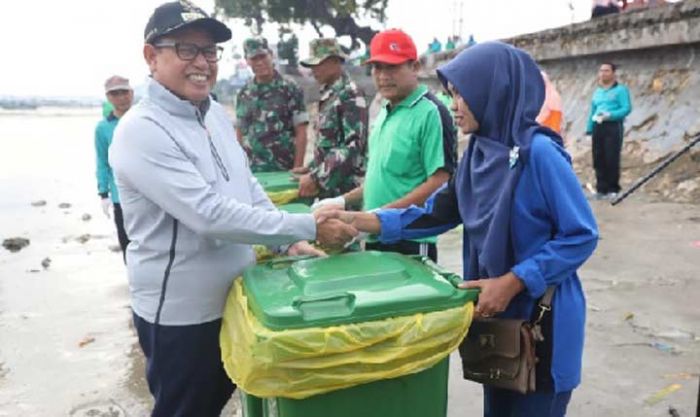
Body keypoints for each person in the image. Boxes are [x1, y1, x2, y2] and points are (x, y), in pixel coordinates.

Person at [317, 41, 599, 417]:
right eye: (451, 94)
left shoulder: (539, 154)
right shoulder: (478, 155)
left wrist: (514, 280)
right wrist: (358, 222)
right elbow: (433, 214)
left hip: (541, 324)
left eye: (463, 94)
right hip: (496, 322)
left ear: (493, 91)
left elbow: (581, 235)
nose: (454, 104)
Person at [109, 2, 356, 416]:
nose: (202, 63)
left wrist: (284, 245)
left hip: (237, 296)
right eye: (187, 49)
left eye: (210, 52)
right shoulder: (141, 130)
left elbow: (246, 187)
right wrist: (305, 226)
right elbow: (208, 214)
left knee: (223, 399)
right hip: (181, 313)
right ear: (151, 56)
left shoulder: (213, 116)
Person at [314, 29, 457, 262]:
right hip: (374, 233)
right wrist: (344, 201)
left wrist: (378, 216)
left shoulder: (431, 112)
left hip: (410, 238)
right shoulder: (384, 111)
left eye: (392, 67)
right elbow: (381, 176)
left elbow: (440, 181)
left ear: (415, 66)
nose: (383, 76)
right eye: (377, 68)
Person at [295, 38, 368, 199]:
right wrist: (312, 168)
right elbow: (329, 143)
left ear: (335, 61)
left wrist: (316, 177)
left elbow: (353, 146)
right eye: (311, 66)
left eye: (318, 64)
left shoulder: (350, 94)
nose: (314, 70)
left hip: (345, 191)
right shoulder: (328, 94)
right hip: (328, 190)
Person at [235, 36, 309, 172]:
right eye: (254, 59)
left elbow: (301, 131)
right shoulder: (244, 94)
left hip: (283, 168)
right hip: (253, 171)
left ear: (271, 55)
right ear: (247, 61)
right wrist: (240, 170)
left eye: (263, 56)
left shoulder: (290, 88)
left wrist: (297, 167)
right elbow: (239, 133)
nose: (259, 62)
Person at [95, 75, 133, 262]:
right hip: (121, 197)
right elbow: (102, 162)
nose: (120, 97)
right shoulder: (103, 128)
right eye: (115, 94)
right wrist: (103, 193)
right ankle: (135, 285)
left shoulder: (144, 120)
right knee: (127, 243)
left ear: (131, 93)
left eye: (123, 92)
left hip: (150, 193)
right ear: (108, 98)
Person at [586, 62, 632, 198]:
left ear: (613, 73)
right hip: (598, 125)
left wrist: (611, 115)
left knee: (611, 156)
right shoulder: (598, 92)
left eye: (606, 71)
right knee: (598, 157)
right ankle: (601, 188)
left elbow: (626, 108)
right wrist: (589, 129)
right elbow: (592, 111)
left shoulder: (621, 90)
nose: (603, 74)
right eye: (601, 71)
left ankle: (613, 189)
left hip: (612, 125)